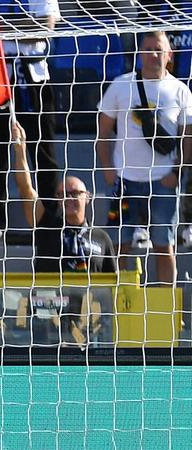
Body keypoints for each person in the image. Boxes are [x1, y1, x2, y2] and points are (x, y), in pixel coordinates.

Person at [97, 30, 192, 285]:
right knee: (119, 245)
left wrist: (177, 173)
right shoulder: (120, 85)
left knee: (165, 245)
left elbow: (188, 138)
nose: (152, 54)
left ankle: (166, 307)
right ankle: (120, 303)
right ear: (140, 53)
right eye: (147, 49)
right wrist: (107, 168)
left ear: (169, 54)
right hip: (124, 181)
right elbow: (103, 131)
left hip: (163, 182)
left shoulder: (181, 91)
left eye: (158, 49)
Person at [0, 0, 61, 245]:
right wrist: (16, 29)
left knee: (43, 152)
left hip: (33, 80)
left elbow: (44, 28)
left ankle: (51, 220)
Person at [10, 121, 116, 274]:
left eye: (74, 193)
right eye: (63, 194)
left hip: (91, 297)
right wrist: (20, 149)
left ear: (88, 197)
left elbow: (112, 280)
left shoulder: (102, 237)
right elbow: (26, 189)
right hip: (51, 297)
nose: (68, 199)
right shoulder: (47, 226)